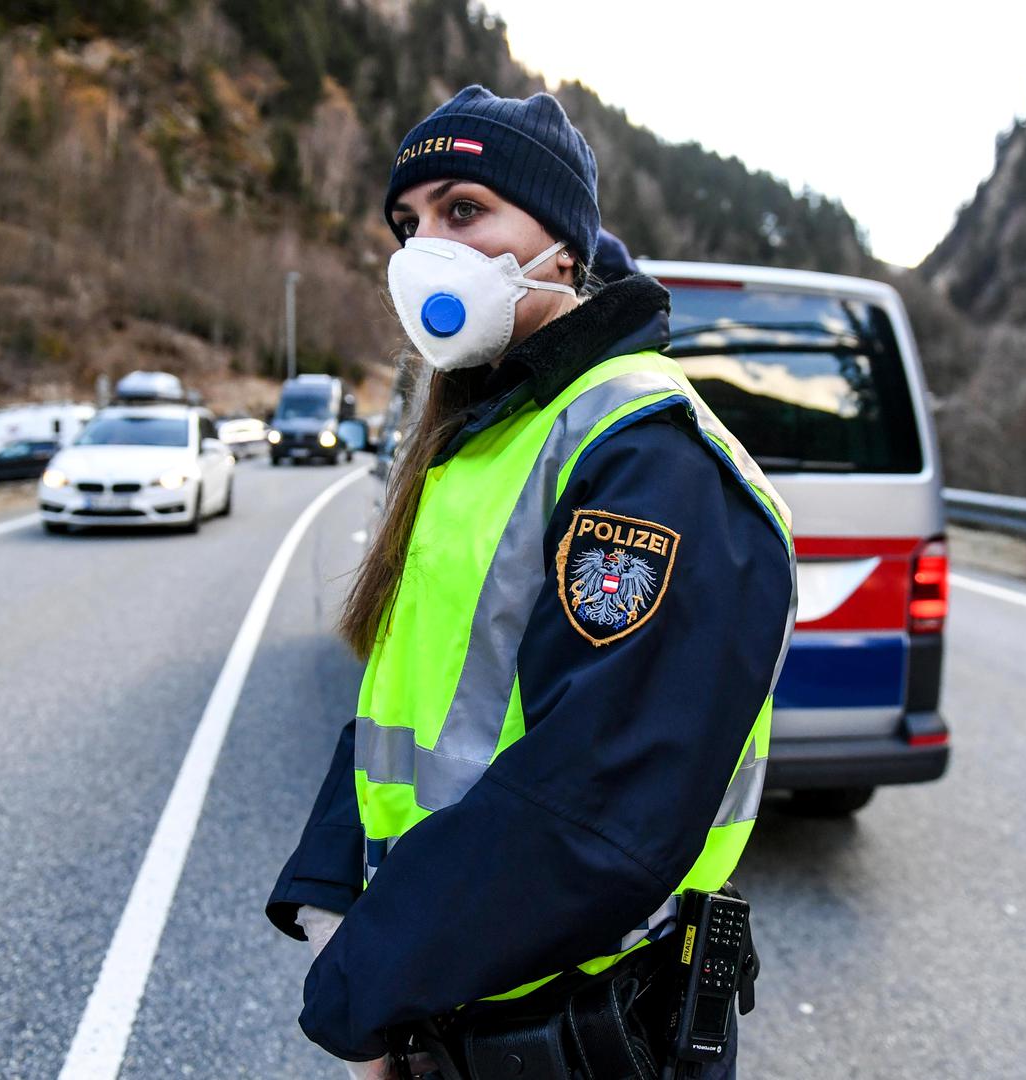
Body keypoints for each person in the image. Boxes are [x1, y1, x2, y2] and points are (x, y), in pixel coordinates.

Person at [266, 85, 797, 1080]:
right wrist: (333, 902)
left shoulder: (644, 454)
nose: (426, 248)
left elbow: (599, 803)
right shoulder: (481, 438)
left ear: (560, 246)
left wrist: (365, 984)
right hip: (450, 1005)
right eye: (408, 224)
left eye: (464, 210)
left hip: (576, 1038)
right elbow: (406, 698)